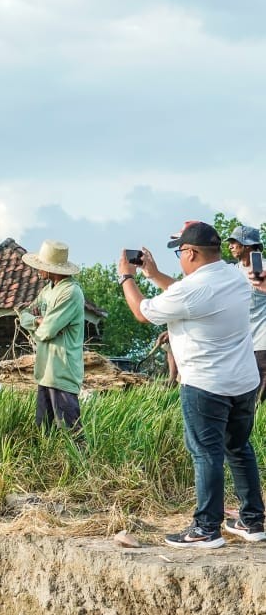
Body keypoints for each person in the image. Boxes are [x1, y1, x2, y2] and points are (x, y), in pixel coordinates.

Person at [119, 221, 262, 549]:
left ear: (193, 253)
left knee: (206, 454)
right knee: (239, 449)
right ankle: (252, 521)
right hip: (242, 381)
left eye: (181, 251)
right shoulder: (234, 276)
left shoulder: (192, 290)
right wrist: (154, 275)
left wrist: (127, 276)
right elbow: (186, 296)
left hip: (206, 384)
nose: (180, 257)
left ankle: (205, 529)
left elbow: (142, 312)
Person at [20, 241, 86, 434]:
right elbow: (24, 314)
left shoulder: (71, 292)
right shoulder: (47, 290)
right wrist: (38, 321)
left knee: (71, 432)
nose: (38, 270)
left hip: (62, 371)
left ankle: (80, 465)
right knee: (44, 432)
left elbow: (47, 329)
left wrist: (39, 323)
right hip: (45, 371)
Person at [225, 225, 266, 400]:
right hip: (242, 344)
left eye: (234, 242)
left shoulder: (264, 268)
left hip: (263, 343)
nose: (230, 246)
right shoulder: (233, 271)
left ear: (247, 245)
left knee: (258, 400)